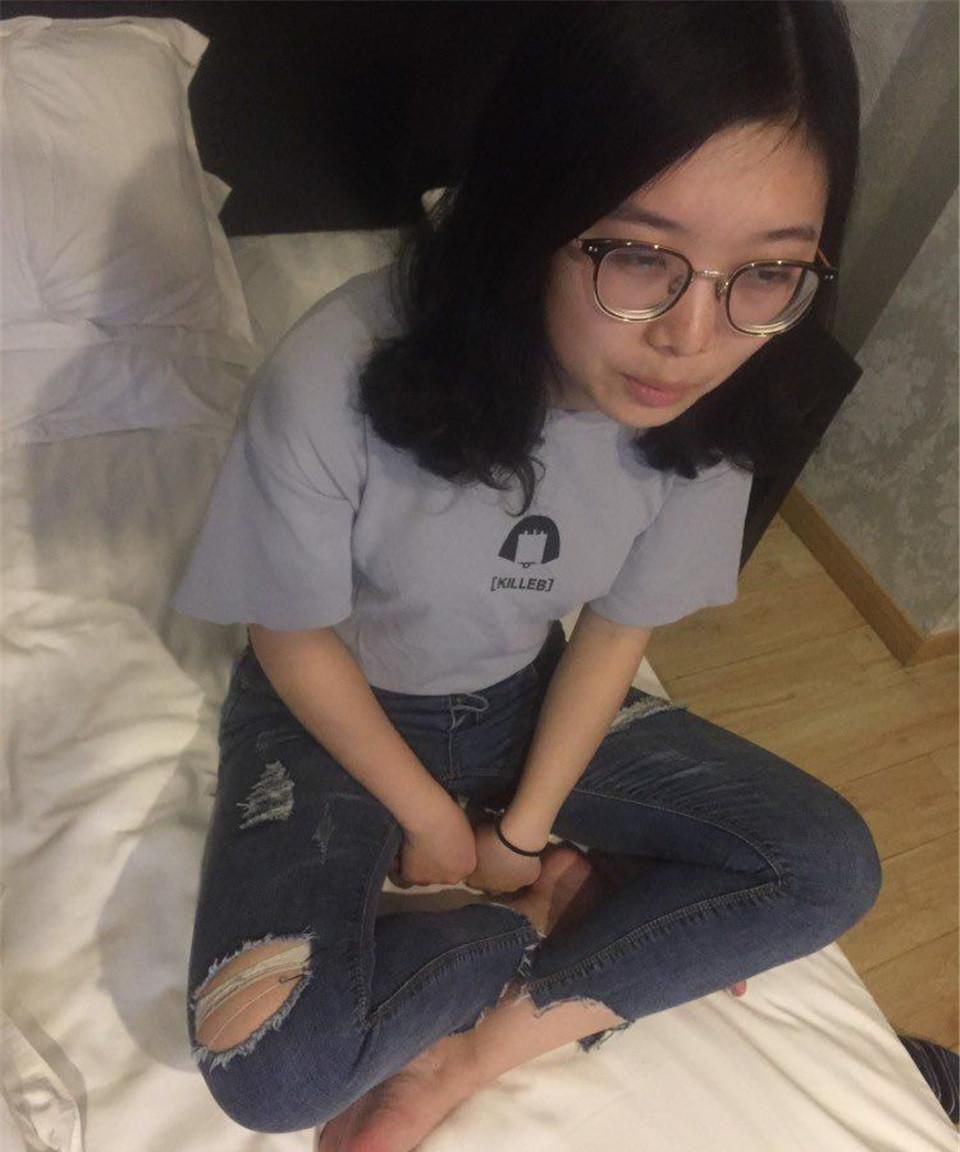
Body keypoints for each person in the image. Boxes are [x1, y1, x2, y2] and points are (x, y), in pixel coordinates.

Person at [173, 3, 882, 1149]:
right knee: (268, 1066)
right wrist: (434, 829)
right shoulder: (336, 373)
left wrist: (520, 835)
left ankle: (474, 1049)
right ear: (534, 206)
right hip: (331, 717)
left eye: (766, 272)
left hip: (524, 703)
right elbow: (290, 639)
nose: (692, 338)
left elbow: (612, 634)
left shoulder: (714, 401)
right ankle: (550, 924)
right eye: (641, 256)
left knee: (828, 864)